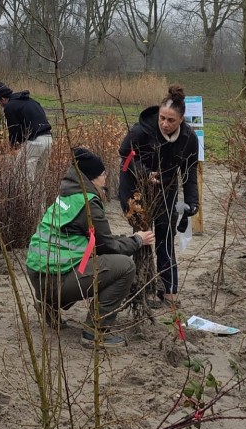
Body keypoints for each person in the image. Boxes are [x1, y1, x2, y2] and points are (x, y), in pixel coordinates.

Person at [26, 148, 155, 348]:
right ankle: (95, 332)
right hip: (55, 280)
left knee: (83, 260)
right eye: (103, 174)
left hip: (39, 275)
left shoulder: (68, 195)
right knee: (124, 266)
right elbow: (107, 247)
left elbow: (94, 240)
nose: (106, 177)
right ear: (93, 178)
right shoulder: (88, 203)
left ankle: (49, 305)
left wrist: (126, 238)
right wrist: (137, 241)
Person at [118, 85, 199, 307]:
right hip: (136, 186)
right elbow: (124, 155)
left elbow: (189, 172)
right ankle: (147, 288)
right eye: (162, 118)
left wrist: (192, 201)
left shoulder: (189, 138)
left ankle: (168, 288)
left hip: (166, 186)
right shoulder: (141, 131)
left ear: (181, 119)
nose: (165, 123)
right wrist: (144, 173)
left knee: (165, 235)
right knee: (144, 237)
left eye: (171, 120)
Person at [0, 81, 53, 181]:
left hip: (35, 141)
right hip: (48, 139)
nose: (1, 105)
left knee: (22, 172)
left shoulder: (10, 106)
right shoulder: (30, 101)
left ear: (3, 98)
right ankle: (40, 196)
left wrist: (12, 145)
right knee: (39, 177)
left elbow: (14, 129)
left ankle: (26, 197)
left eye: (0, 102)